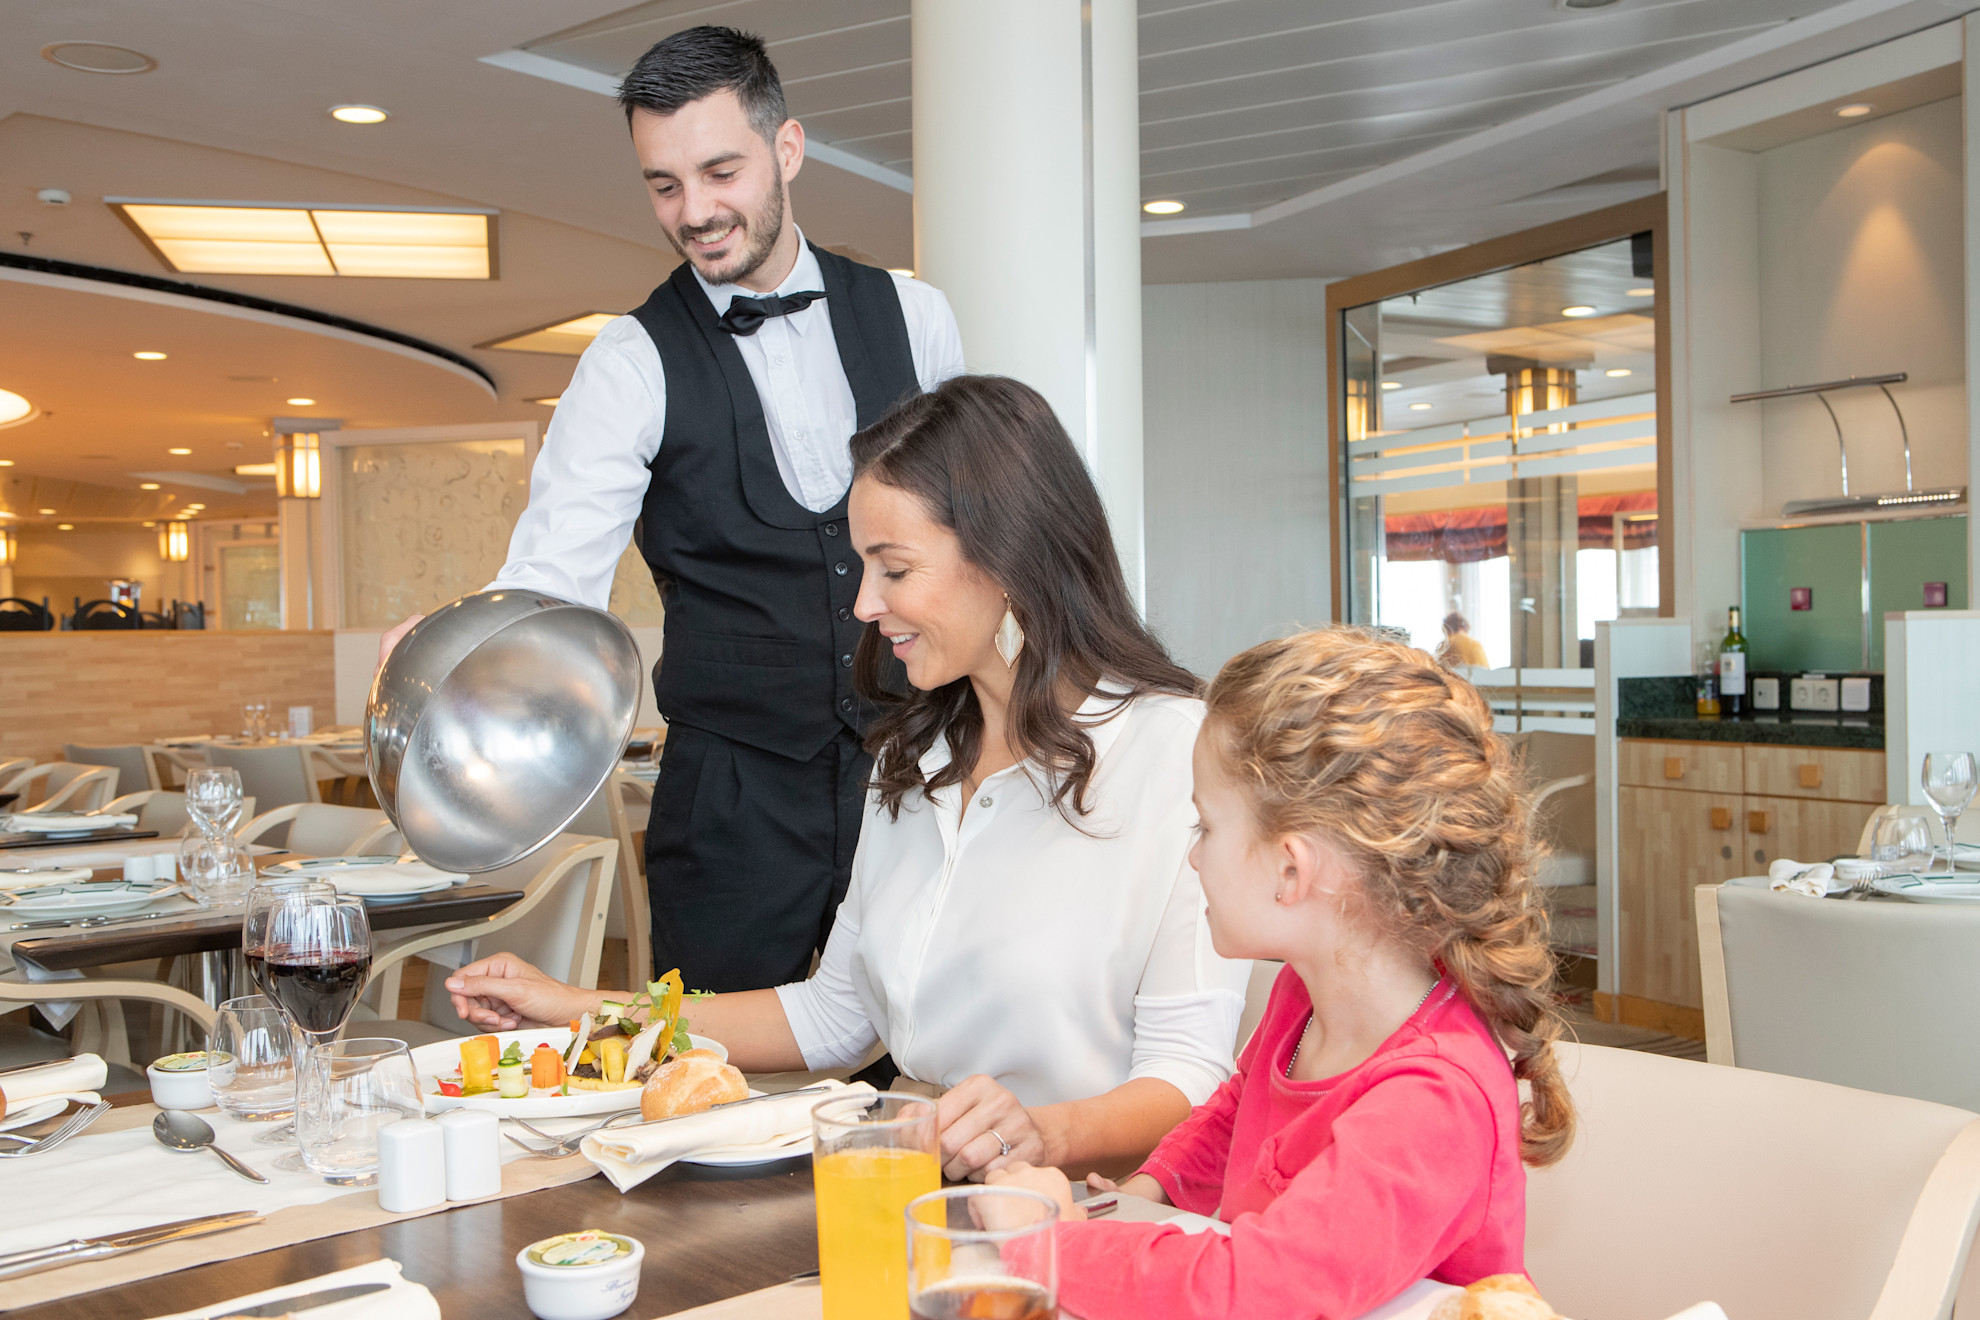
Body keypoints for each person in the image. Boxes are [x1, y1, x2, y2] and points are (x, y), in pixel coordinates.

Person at [445, 375, 1251, 1181]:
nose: (863, 603)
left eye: (893, 569)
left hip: (1079, 1209)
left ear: (1008, 561)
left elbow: (1192, 1076)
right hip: (911, 1183)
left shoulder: (1174, 755)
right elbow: (836, 1017)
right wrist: (578, 1009)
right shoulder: (913, 757)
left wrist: (1038, 1134)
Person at [987, 627, 1576, 1319]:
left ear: (1292, 869)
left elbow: (1254, 1292)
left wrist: (1044, 1247)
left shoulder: (1432, 1100)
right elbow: (1235, 1117)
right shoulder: (1308, 993)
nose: (1194, 858)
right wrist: (1147, 1195)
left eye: (1205, 828)